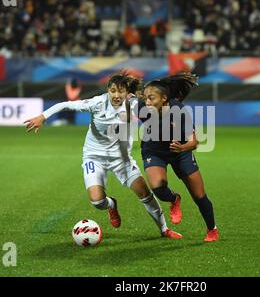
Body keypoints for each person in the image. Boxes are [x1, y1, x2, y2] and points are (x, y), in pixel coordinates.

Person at [23, 72, 182, 239]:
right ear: (108, 90)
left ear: (127, 93)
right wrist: (42, 116)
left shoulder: (133, 103)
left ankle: (164, 229)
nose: (116, 95)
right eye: (113, 91)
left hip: (121, 159)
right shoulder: (97, 103)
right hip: (94, 157)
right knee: (97, 202)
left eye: (120, 91)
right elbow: (65, 105)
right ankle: (112, 204)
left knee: (145, 194)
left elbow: (156, 104)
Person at [134, 73, 219, 242]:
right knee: (157, 187)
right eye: (146, 98)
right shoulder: (141, 106)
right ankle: (174, 198)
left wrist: (182, 147)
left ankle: (212, 229)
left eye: (152, 98)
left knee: (199, 196)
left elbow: (194, 142)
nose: (147, 102)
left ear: (164, 98)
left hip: (180, 151)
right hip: (154, 150)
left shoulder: (178, 111)